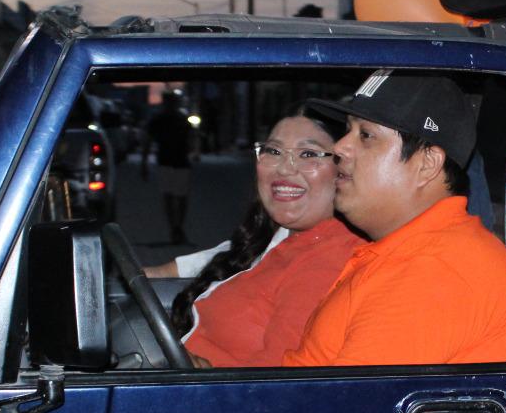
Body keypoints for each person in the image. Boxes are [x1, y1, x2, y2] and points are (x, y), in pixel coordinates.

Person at [282, 72, 506, 366]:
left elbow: (346, 408)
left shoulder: (435, 273)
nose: (339, 147)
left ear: (427, 165)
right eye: (347, 131)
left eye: (366, 135)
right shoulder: (413, 251)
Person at [144, 103, 365, 367]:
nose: (284, 169)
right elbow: (229, 256)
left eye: (308, 154)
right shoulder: (282, 237)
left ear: (344, 170)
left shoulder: (328, 260)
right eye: (273, 151)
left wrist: (193, 369)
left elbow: (275, 381)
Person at [141, 94, 196, 245]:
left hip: (178, 161)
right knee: (172, 196)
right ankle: (175, 227)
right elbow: (148, 141)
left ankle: (177, 227)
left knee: (177, 197)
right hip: (168, 161)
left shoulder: (181, 119)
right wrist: (144, 162)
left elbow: (192, 138)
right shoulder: (160, 120)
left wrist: (144, 162)